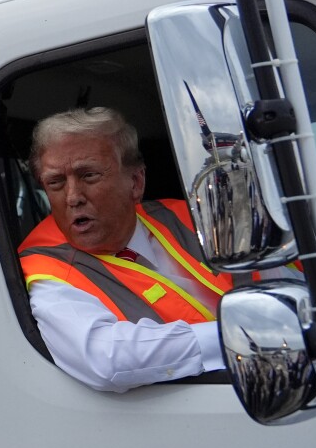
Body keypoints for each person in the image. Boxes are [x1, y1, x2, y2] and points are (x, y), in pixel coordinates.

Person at [18, 107, 244, 392]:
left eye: (88, 176)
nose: (73, 197)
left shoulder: (192, 217)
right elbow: (106, 359)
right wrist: (242, 336)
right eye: (56, 183)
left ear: (136, 182)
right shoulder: (44, 267)